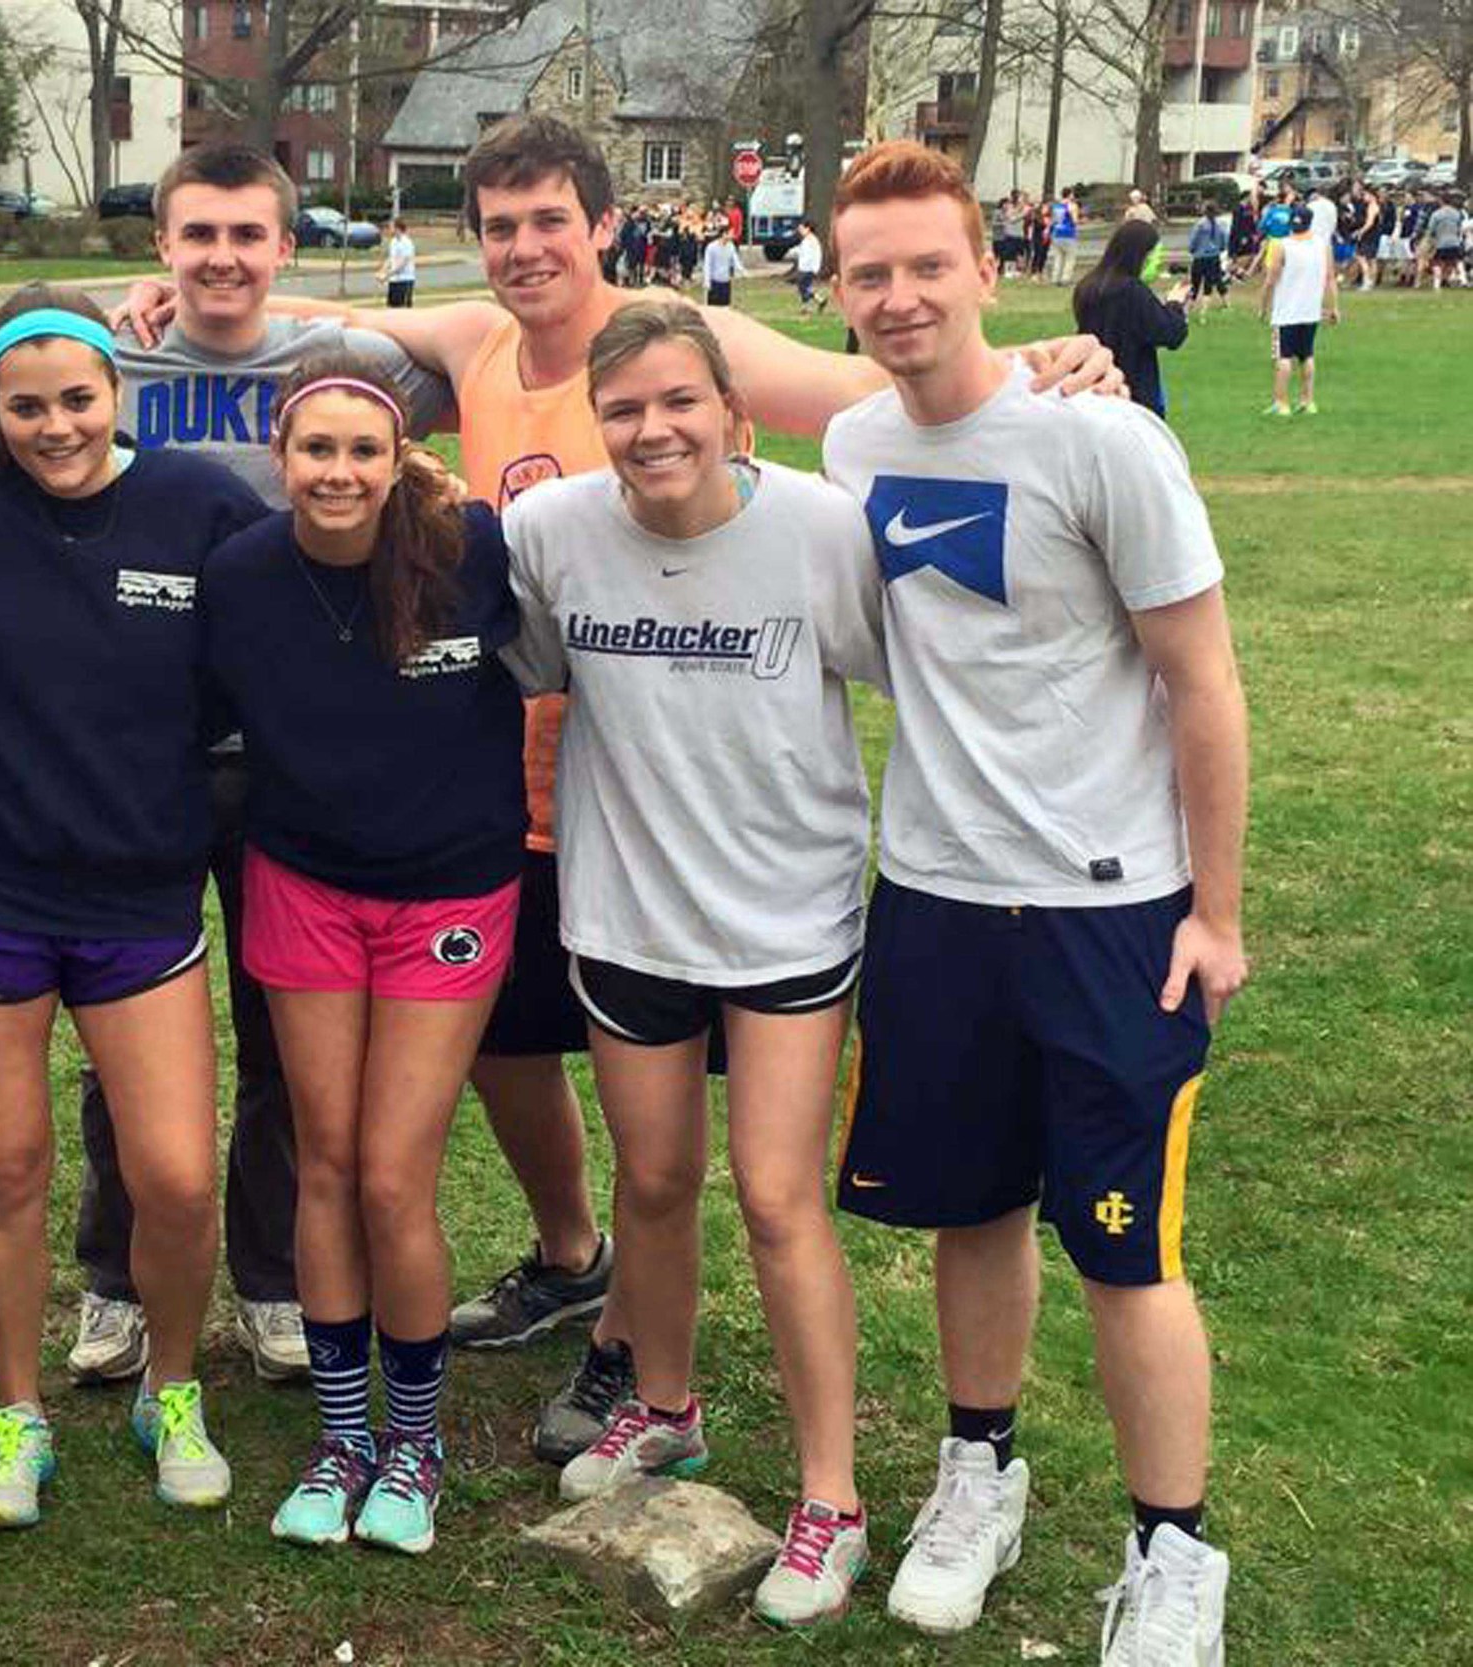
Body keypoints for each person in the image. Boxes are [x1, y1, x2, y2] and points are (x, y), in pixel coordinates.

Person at [115, 111, 1118, 1463]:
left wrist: (1036, 365)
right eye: (502, 226)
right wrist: (190, 288)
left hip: (672, 792)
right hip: (507, 784)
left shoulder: (672, 336)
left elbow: (867, 388)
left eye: (551, 222)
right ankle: (572, 1254)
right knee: (515, 1057)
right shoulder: (474, 343)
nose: (529, 249)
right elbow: (299, 318)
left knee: (673, 1134)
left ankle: (624, 1354)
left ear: (602, 224)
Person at [821, 141, 1249, 1662]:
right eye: (867, 271)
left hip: (1111, 911)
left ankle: (1174, 1549)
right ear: (838, 284)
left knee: (1126, 1248)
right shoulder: (858, 449)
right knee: (971, 1208)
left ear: (983, 269)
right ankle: (978, 1467)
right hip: (935, 900)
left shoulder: (1103, 441)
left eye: (927, 264)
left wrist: (1218, 909)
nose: (898, 294)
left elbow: (1203, 684)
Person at [507, 298, 885, 1627]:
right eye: (624, 410)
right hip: (629, 913)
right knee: (655, 1180)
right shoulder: (552, 531)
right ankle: (664, 1405)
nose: (652, 430)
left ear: (733, 410)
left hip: (788, 910)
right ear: (595, 422)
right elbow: (525, 666)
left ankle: (829, 1495)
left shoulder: (822, 527)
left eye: (680, 403)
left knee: (779, 1196)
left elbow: (898, 668)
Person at [0, 288, 266, 1529]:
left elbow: (306, 588)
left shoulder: (195, 498)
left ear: (116, 392)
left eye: (77, 400)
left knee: (178, 1178)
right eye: (27, 405)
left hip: (140, 889)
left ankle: (172, 1382)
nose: (54, 429)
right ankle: (16, 1413)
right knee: (6, 1166)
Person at [78, 143, 450, 1396]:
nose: (222, 259)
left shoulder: (353, 370)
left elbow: (510, 330)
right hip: (136, 742)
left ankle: (274, 1273)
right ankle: (116, 1272)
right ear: (161, 247)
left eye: (248, 237)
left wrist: (324, 316)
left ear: (283, 248)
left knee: (287, 1039)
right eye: (199, 236)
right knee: (123, 1014)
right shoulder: (105, 358)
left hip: (294, 749)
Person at [193, 352, 524, 1556]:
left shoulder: (468, 550)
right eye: (315, 452)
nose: (338, 472)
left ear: (398, 464)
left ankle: (415, 1441)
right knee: (325, 1159)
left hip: (450, 887)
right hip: (304, 884)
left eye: (361, 452)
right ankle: (343, 1437)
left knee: (394, 1172)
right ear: (282, 465)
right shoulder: (238, 575)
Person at [1073, 219, 1189, 418]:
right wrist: (1175, 304)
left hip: (1093, 386)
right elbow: (1170, 333)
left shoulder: (1088, 285)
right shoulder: (1131, 291)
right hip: (1133, 391)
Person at [1261, 198, 1339, 416]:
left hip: (1286, 311)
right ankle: (1308, 400)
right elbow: (1330, 278)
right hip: (1310, 310)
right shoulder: (1322, 245)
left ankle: (1281, 402)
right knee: (1307, 355)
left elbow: (1271, 279)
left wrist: (1263, 304)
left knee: (1283, 357)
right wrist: (1334, 307)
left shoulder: (1282, 245)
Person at [1185, 203, 1230, 318]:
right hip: (1213, 257)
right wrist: (1221, 248)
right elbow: (1224, 240)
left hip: (1200, 257)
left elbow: (1194, 239)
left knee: (1195, 284)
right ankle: (1203, 313)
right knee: (1208, 285)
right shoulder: (1220, 224)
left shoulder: (1200, 224)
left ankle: (1187, 311)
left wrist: (1191, 249)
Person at [700, 219, 741, 306]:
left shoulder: (731, 246)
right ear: (724, 234)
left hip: (726, 282)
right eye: (731, 233)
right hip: (714, 282)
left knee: (725, 308)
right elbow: (707, 265)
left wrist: (742, 271)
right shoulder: (711, 247)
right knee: (713, 308)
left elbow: (735, 260)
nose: (732, 235)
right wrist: (707, 281)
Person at [380, 218, 418, 307]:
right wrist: (382, 270)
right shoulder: (393, 242)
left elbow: (402, 264)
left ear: (397, 228)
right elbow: (391, 258)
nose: (389, 229)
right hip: (394, 281)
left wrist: (386, 275)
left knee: (403, 310)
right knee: (392, 309)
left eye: (391, 227)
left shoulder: (407, 243)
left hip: (405, 280)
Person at [792, 221, 827, 313]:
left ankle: (806, 308)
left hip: (808, 268)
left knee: (803, 287)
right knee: (804, 287)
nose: (800, 231)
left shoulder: (810, 240)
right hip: (807, 268)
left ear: (808, 229)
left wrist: (805, 267)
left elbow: (809, 255)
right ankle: (820, 300)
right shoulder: (808, 240)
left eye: (802, 229)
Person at [1048, 189, 1081, 284]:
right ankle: (1065, 279)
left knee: (1058, 257)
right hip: (1068, 233)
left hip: (1057, 232)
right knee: (1070, 257)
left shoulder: (1056, 206)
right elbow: (1074, 221)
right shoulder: (1072, 206)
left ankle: (1055, 278)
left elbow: (1053, 220)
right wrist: (1081, 220)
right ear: (1070, 195)